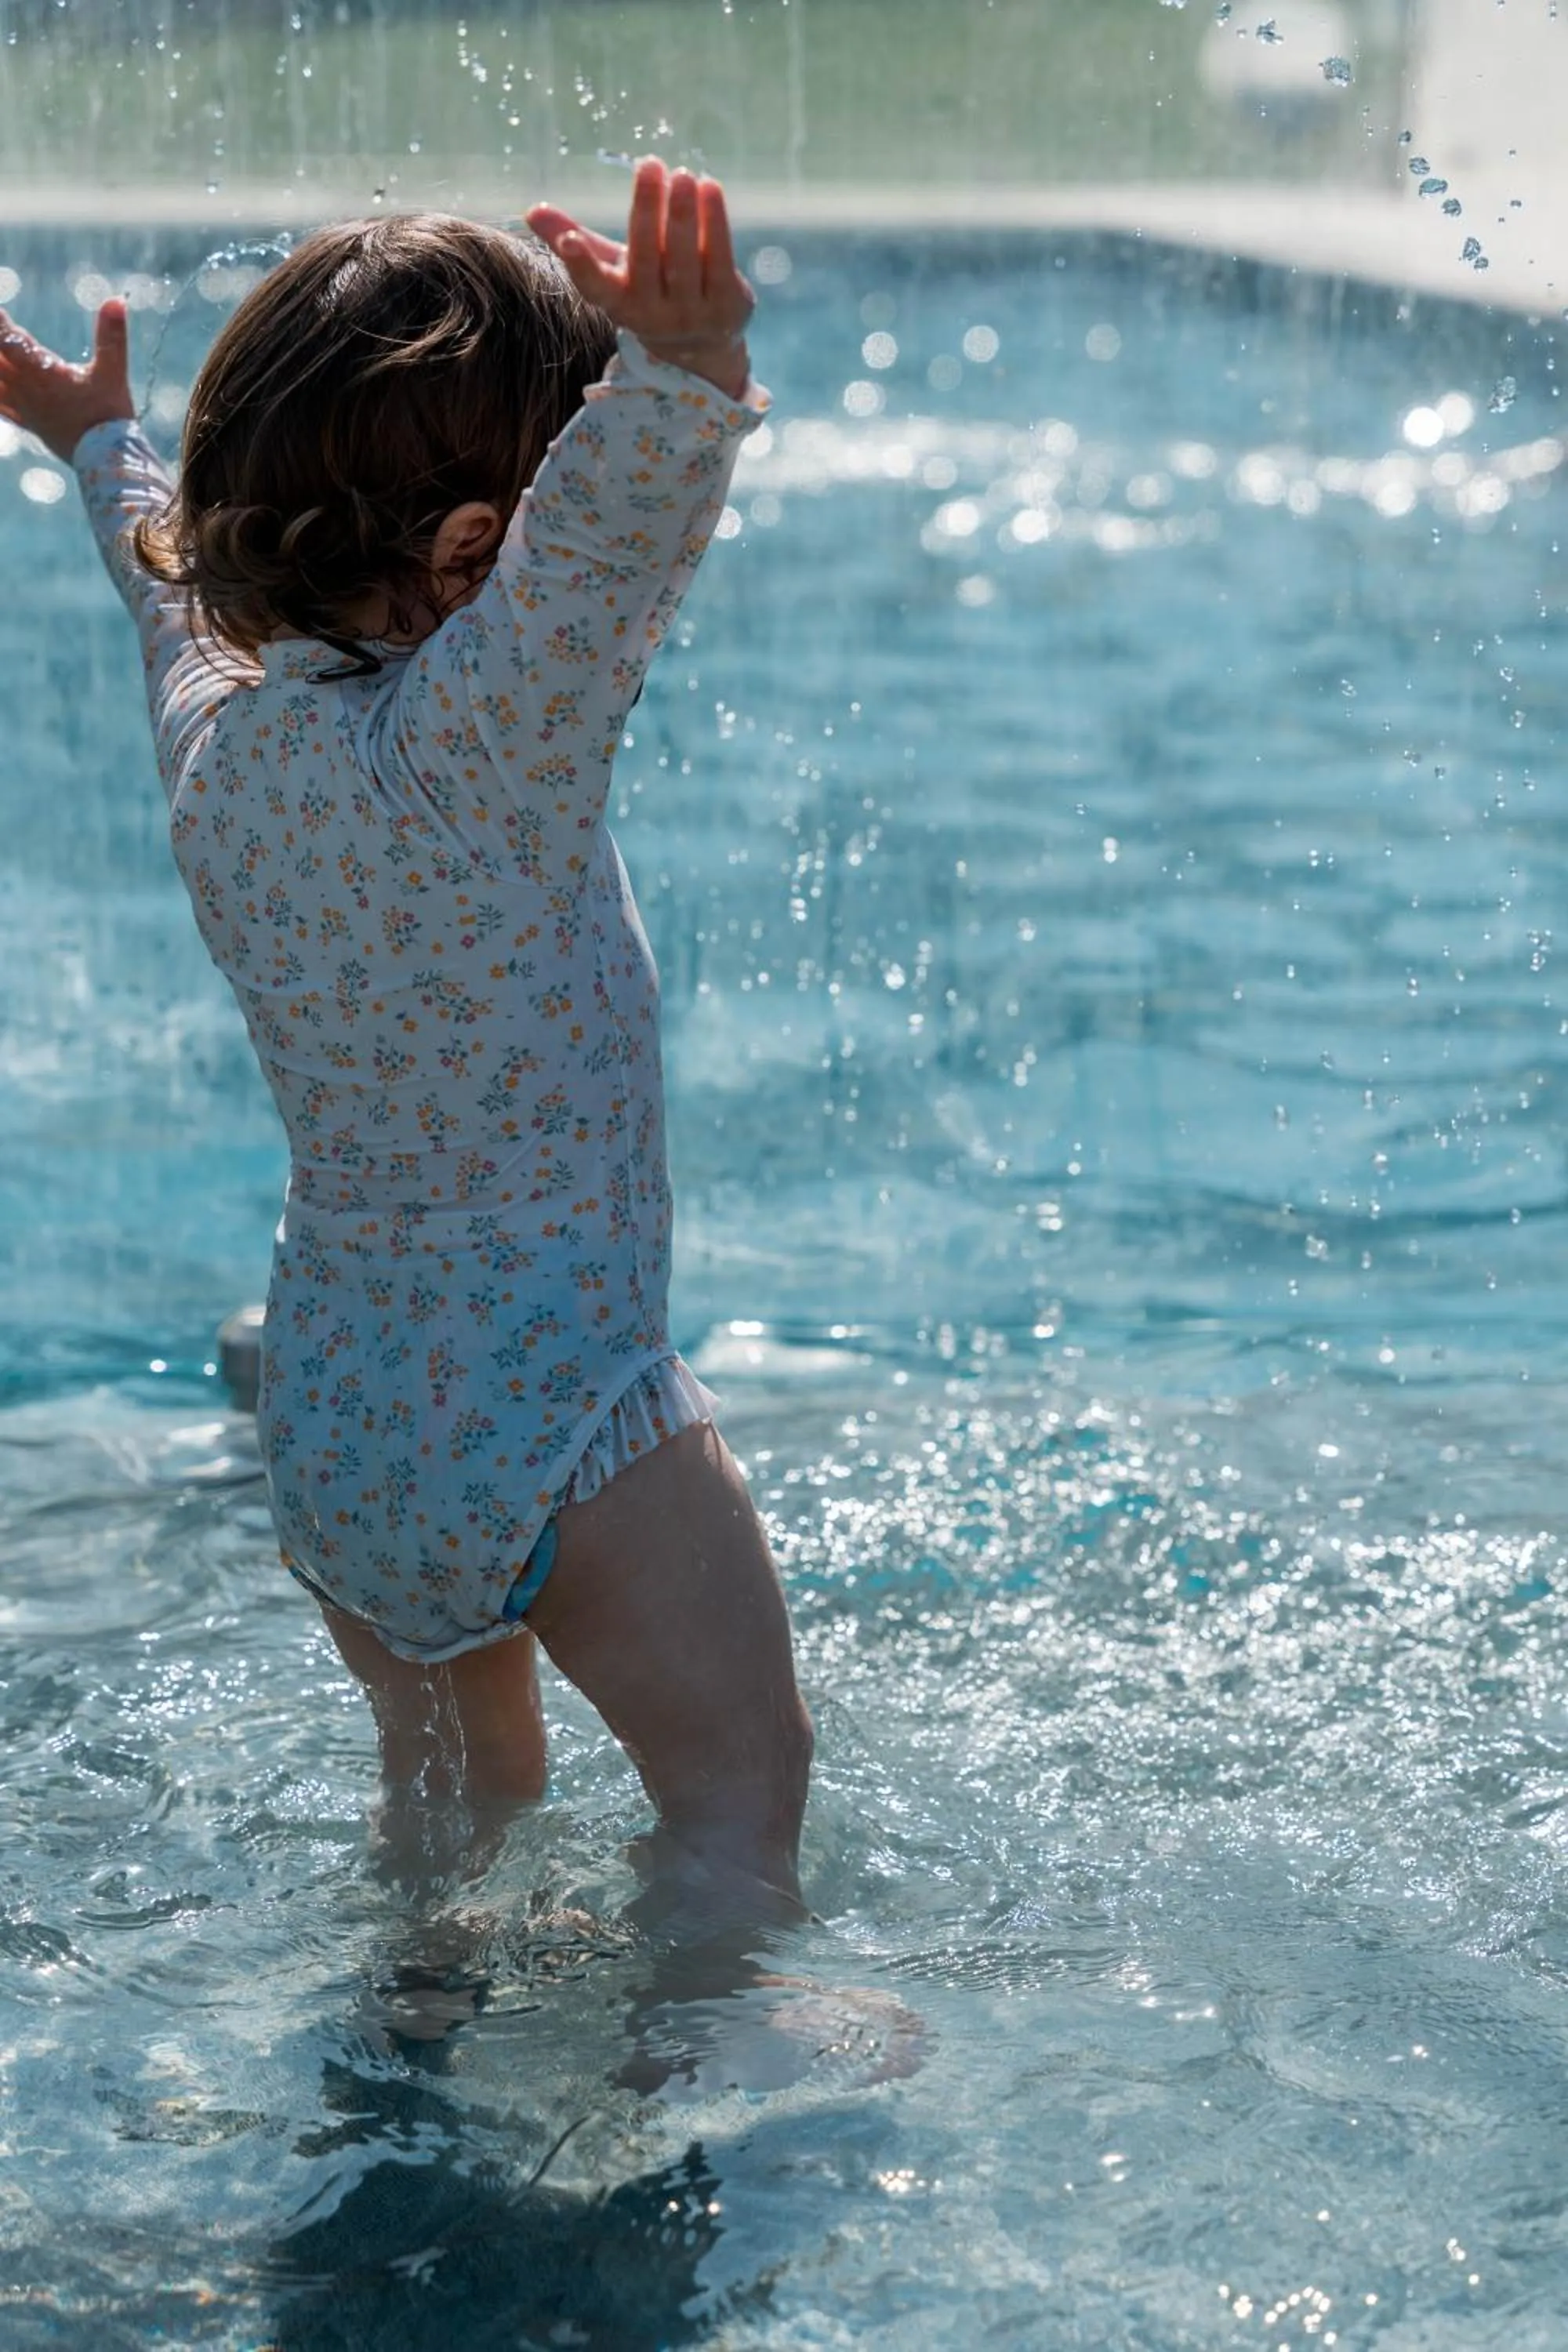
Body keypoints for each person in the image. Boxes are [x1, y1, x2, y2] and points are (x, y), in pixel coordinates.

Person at [0, 160, 814, 1929]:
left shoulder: (222, 745)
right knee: (735, 1794)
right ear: (468, 557)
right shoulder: (484, 753)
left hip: (342, 1417)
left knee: (454, 1816)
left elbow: (163, 601)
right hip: (558, 1405)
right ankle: (717, 2063)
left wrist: (92, 447)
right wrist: (684, 378)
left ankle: (415, 2036)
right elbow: (601, 561)